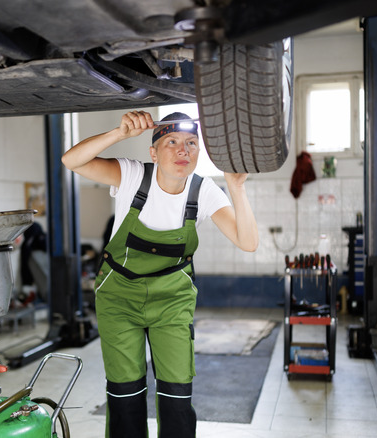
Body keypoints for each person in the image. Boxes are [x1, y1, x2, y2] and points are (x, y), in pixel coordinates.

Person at [61, 110, 258, 437]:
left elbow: (248, 242)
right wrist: (119, 134)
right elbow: (72, 160)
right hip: (119, 299)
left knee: (177, 396)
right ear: (153, 151)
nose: (184, 151)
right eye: (172, 142)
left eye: (192, 143)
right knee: (125, 394)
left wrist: (236, 188)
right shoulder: (132, 176)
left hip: (172, 303)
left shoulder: (203, 191)